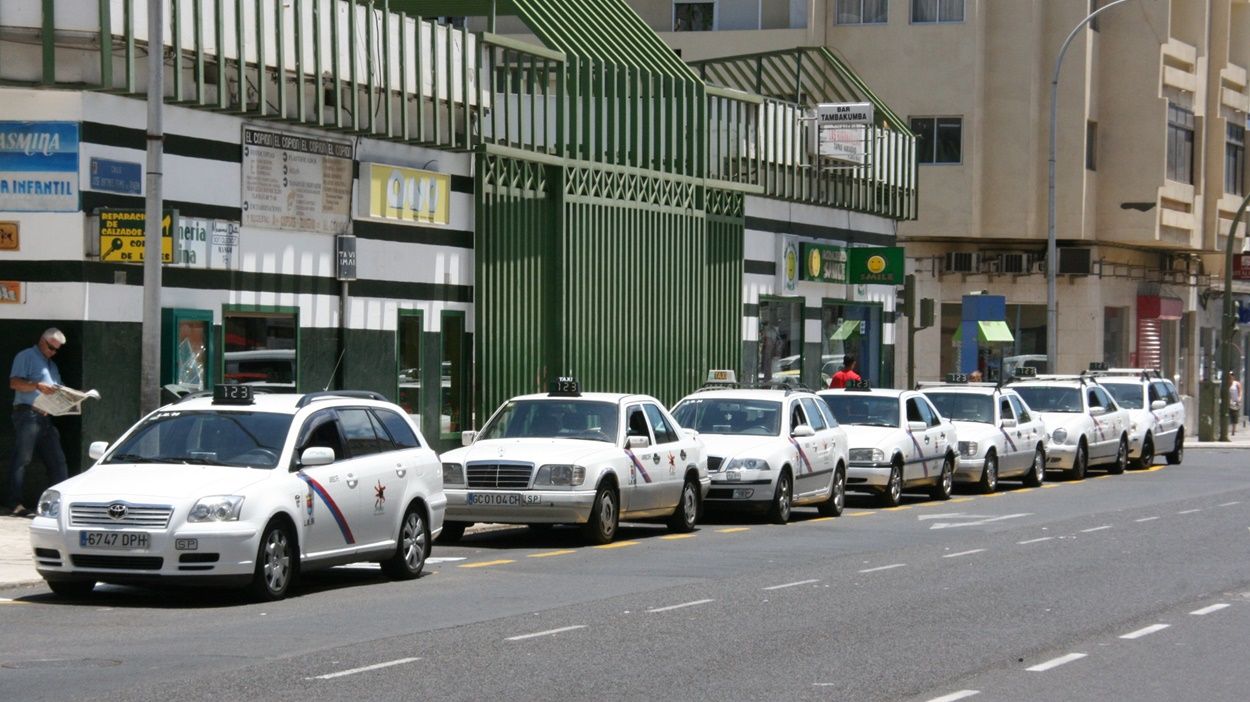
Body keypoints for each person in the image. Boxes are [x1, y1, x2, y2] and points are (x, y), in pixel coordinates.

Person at [6, 328, 70, 518]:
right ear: (42, 341)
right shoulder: (26, 356)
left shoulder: (51, 365)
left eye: (56, 350)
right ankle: (13, 503)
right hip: (28, 414)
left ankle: (61, 505)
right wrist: (37, 385)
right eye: (51, 348)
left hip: (45, 416)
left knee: (57, 461)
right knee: (22, 459)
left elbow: (58, 388)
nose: (53, 352)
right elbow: (15, 383)